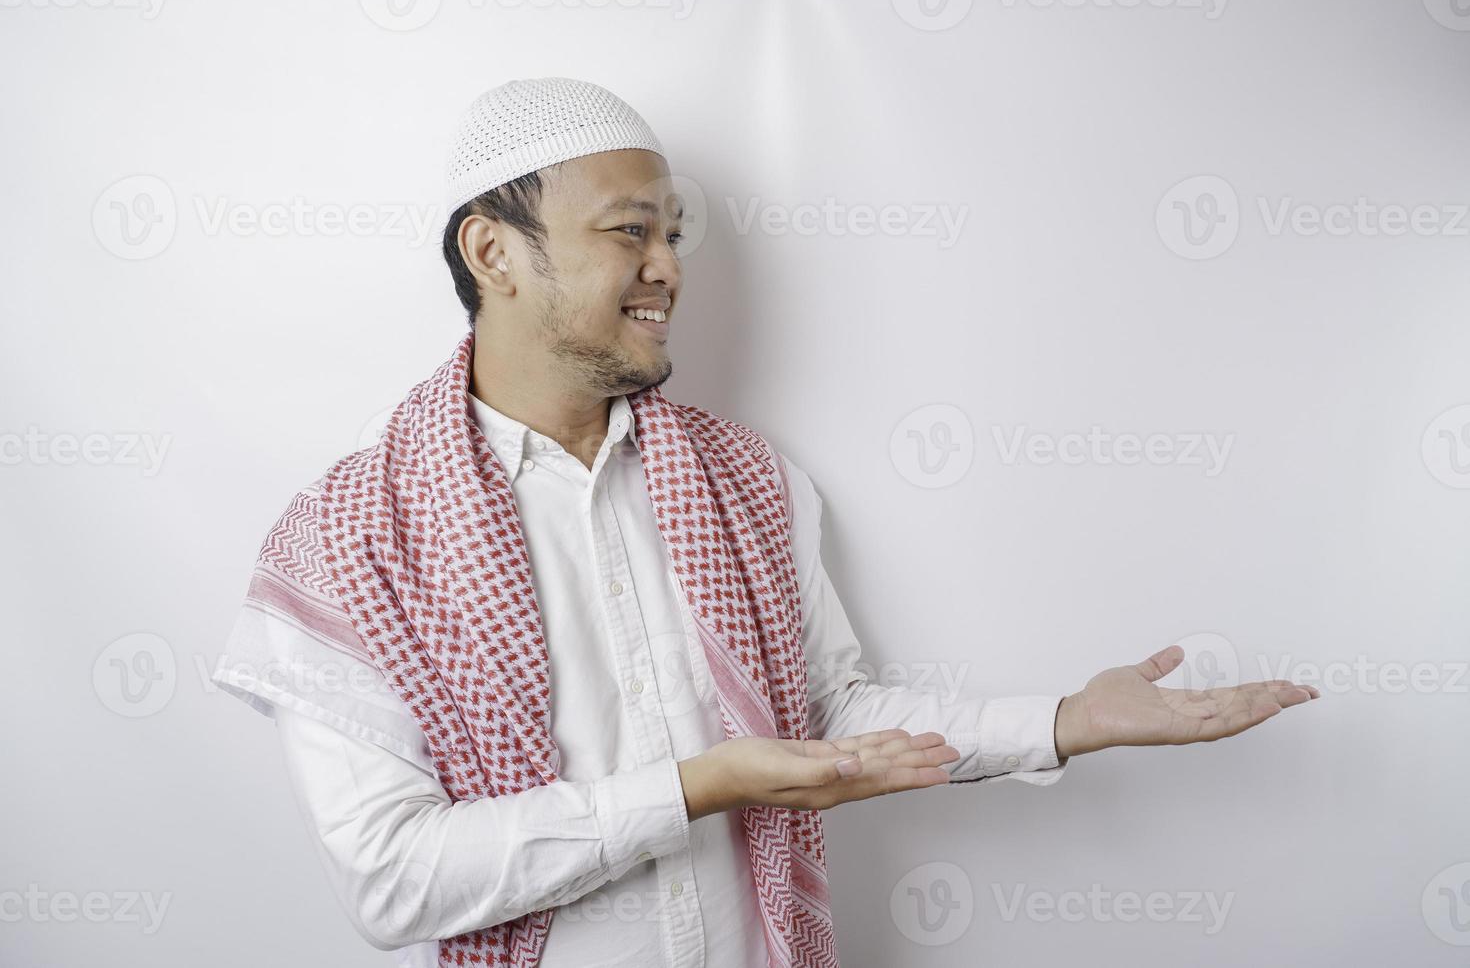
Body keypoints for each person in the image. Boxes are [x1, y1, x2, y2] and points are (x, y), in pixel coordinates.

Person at [211, 77, 1319, 968]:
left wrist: (1069, 717)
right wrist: (701, 784)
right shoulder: (349, 538)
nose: (668, 267)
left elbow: (832, 715)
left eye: (673, 232)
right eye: (628, 230)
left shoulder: (742, 479)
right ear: (493, 252)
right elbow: (393, 879)